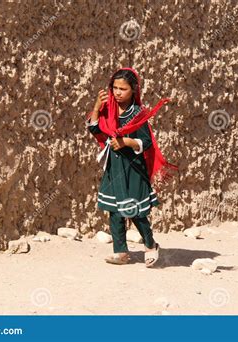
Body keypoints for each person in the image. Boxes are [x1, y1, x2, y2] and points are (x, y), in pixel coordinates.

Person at [86, 68, 175, 267]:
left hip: (132, 169)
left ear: (133, 90)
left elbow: (146, 142)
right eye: (115, 88)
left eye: (123, 89)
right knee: (115, 211)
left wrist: (126, 141)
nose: (117, 92)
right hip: (114, 168)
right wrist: (96, 106)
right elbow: (94, 128)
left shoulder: (137, 114)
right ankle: (121, 252)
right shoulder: (107, 110)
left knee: (134, 210)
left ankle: (151, 245)